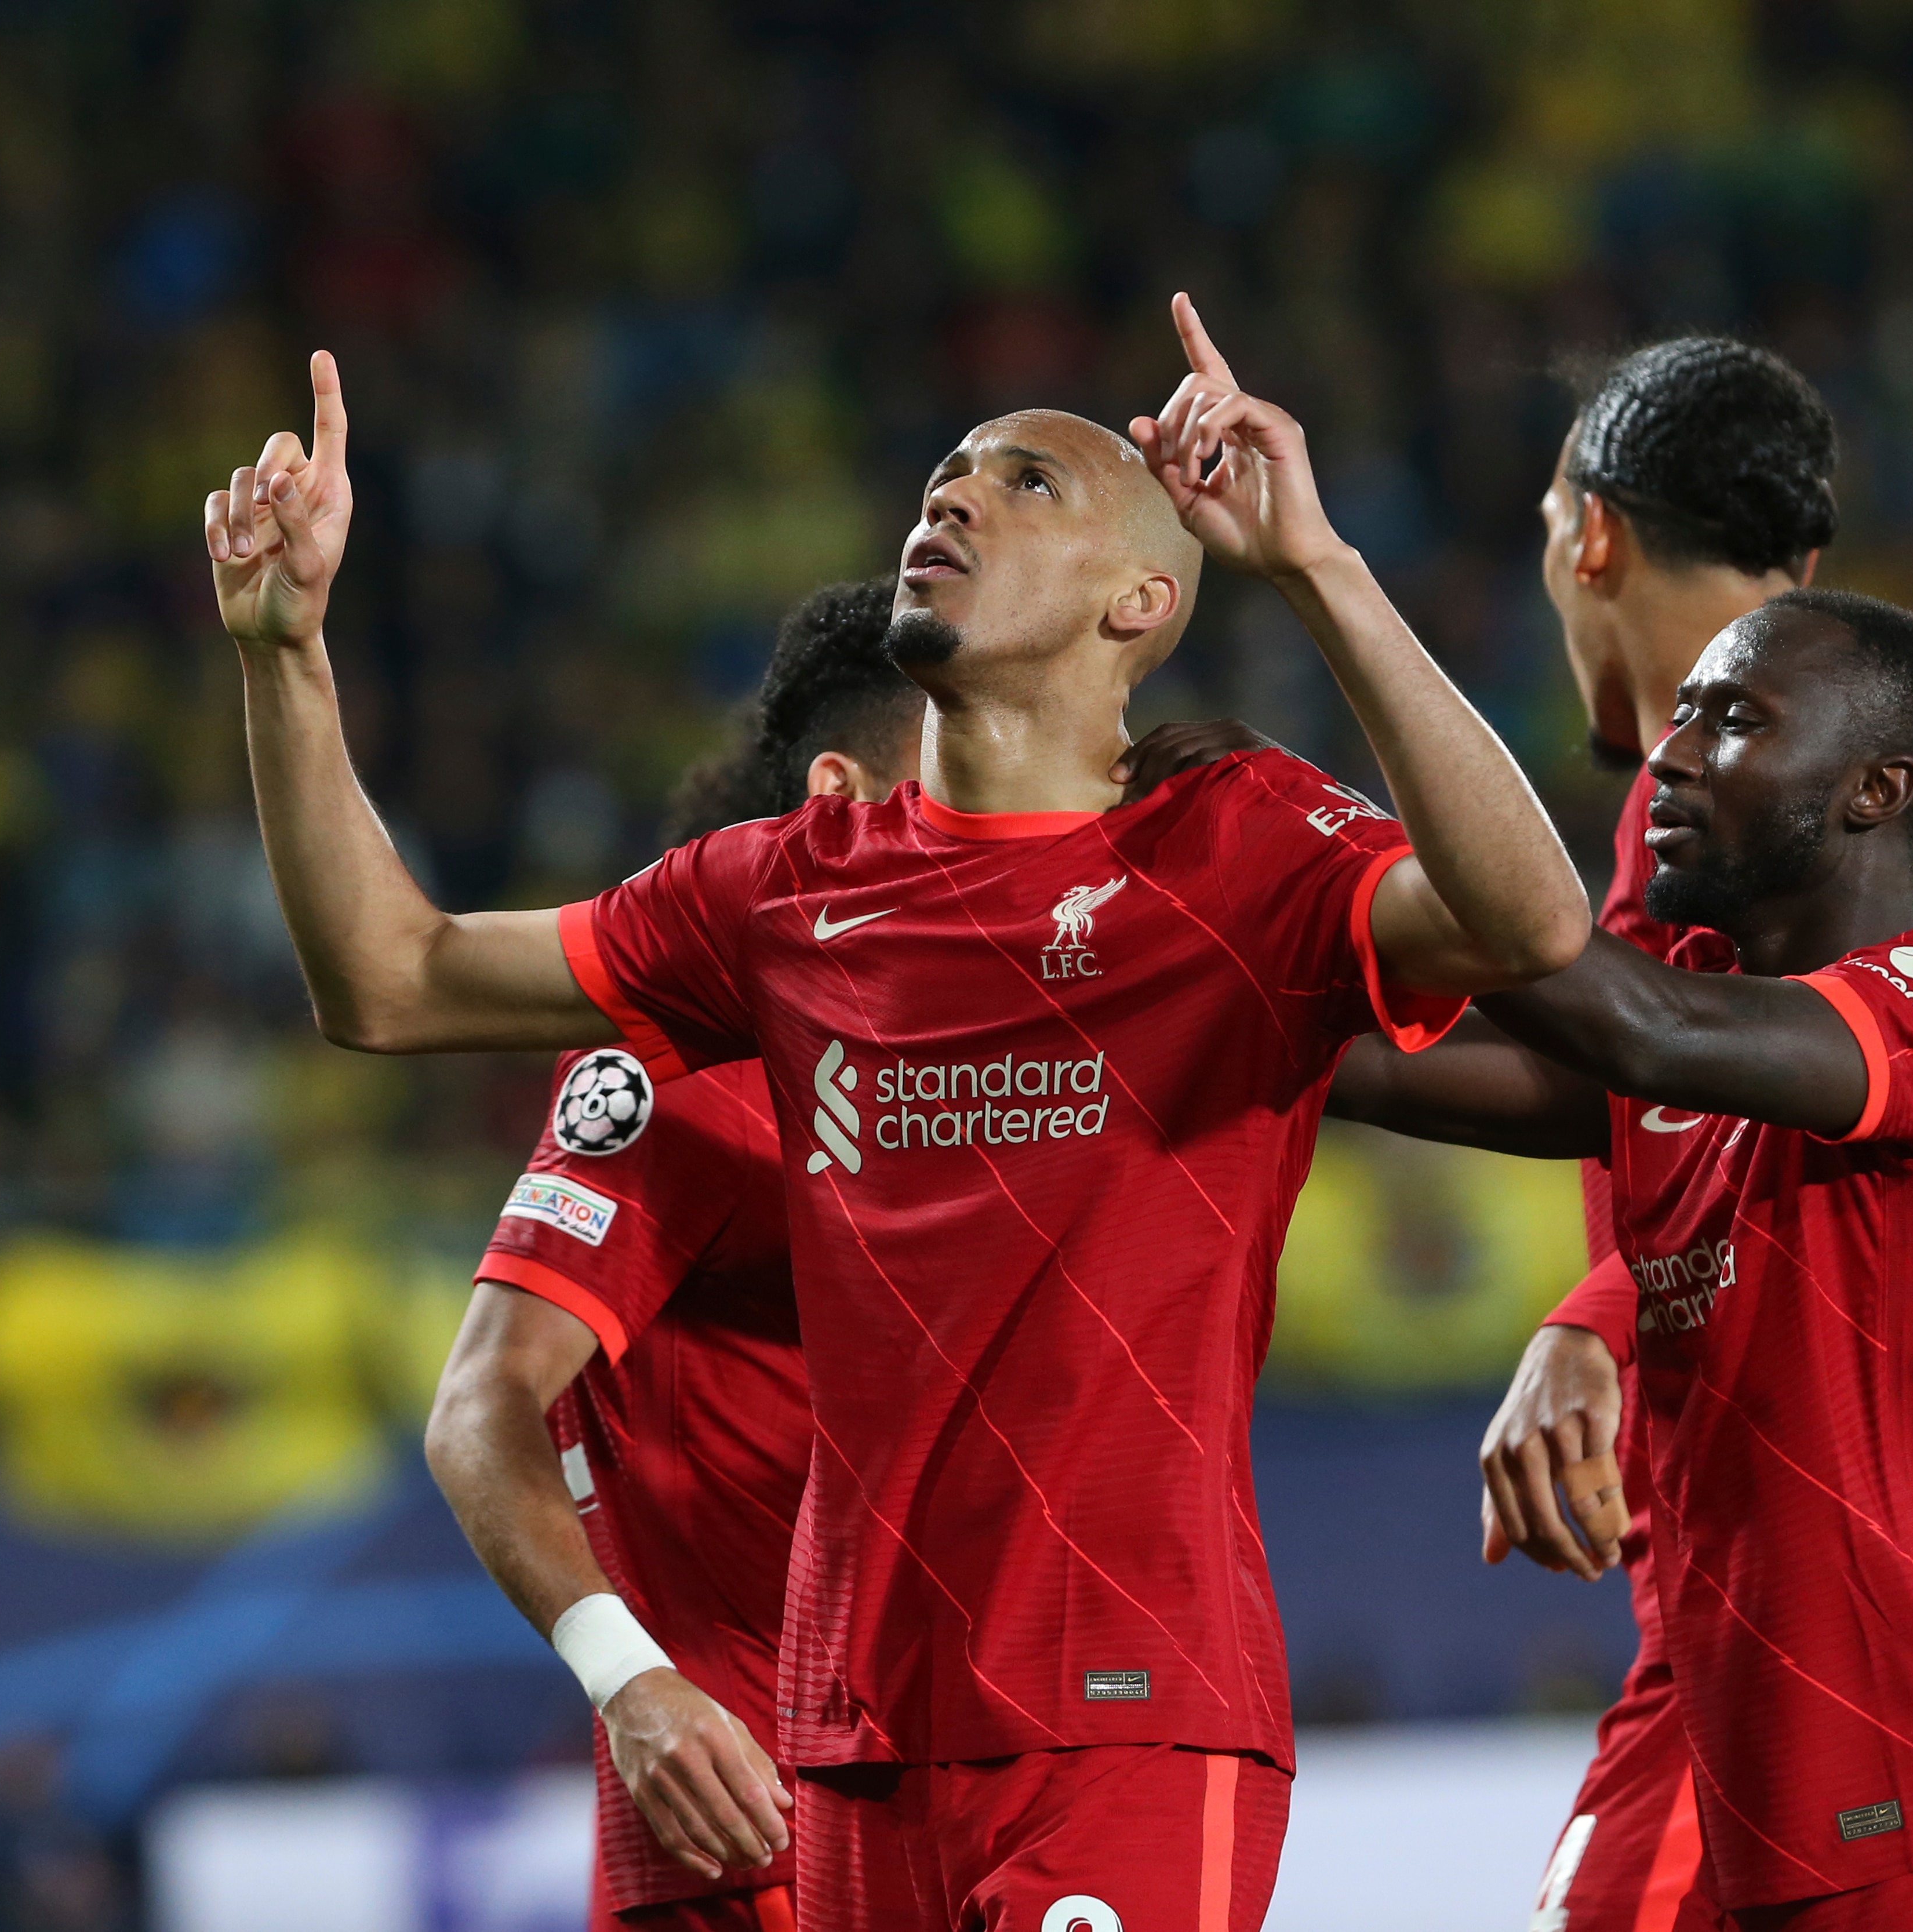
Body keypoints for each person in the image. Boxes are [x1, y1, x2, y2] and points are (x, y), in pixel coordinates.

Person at [205, 299, 1591, 1932]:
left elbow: (1530, 924)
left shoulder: (1235, 851)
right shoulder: (784, 896)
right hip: (850, 1726)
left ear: (1140, 602)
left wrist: (1322, 571)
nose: (954, 496)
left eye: (1026, 484)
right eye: (945, 472)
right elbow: (391, 977)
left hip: (1127, 1701)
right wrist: (285, 656)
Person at [1427, 337, 1913, 1932]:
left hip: (1858, 1637)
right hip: (1763, 1600)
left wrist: (1601, 1316)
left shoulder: (1847, 836)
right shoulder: (1814, 812)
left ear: (1584, 534)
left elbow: (1658, 1048)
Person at [426, 577, 926, 1930]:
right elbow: (482, 1402)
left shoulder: (1000, 1059)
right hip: (756, 1826)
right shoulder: (685, 1069)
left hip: (967, 1799)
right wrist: (627, 1673)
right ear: (848, 790)